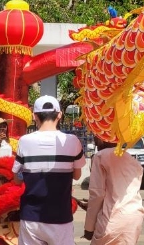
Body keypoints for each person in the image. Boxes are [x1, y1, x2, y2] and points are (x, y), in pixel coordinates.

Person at [12, 95, 86, 245]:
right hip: (61, 217)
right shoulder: (72, 141)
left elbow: (17, 178)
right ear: (59, 114)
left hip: (31, 217)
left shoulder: (25, 141)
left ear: (34, 115)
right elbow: (77, 176)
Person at [84, 136, 144, 245]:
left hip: (111, 219)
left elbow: (97, 194)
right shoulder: (132, 160)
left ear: (104, 137)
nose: (95, 143)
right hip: (134, 217)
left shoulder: (100, 156)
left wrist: (89, 228)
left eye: (96, 138)